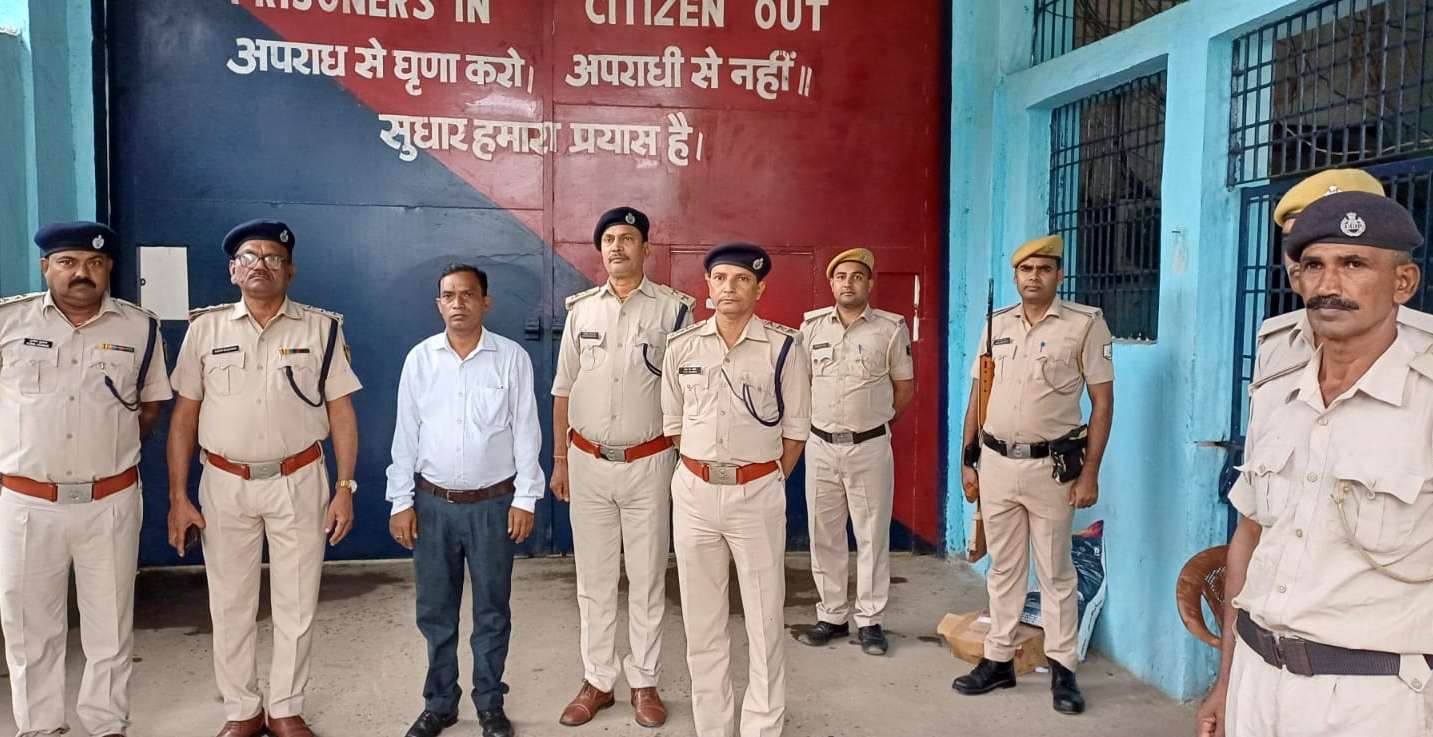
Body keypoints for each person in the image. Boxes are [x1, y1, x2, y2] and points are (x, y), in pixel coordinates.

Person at [1196, 191, 1433, 736]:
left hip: (1372, 699)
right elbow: (1249, 537)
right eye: (1314, 266)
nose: (1329, 285)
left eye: (1354, 265)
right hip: (1257, 679)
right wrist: (1226, 680)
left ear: (1402, 283)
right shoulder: (1277, 390)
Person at [166, 219, 362, 737]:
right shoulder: (205, 330)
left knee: (297, 599)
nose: (261, 265)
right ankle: (242, 710)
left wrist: (344, 488)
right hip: (224, 482)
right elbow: (184, 417)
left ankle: (286, 707)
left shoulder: (321, 329)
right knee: (230, 601)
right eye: (249, 257)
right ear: (233, 270)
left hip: (299, 478)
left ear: (289, 271)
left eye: (274, 258)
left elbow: (342, 413)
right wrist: (178, 496)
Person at [0, 222, 171, 737]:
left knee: (110, 625)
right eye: (68, 262)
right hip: (28, 502)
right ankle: (40, 727)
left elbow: (150, 405)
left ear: (109, 267)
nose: (82, 273)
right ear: (45, 267)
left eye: (94, 263)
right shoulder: (8, 321)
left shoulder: (140, 328)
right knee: (30, 627)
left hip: (109, 500)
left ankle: (106, 724)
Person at [952, 234, 1114, 715]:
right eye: (1026, 270)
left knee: (1055, 571)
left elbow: (1102, 402)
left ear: (1059, 275)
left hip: (1052, 468)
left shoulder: (1084, 325)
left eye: (1044, 269)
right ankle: (998, 659)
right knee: (1003, 567)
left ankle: (1063, 670)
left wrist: (1090, 473)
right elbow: (979, 394)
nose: (1034, 277)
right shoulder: (996, 324)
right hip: (998, 463)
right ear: (1016, 276)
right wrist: (967, 459)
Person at [386, 264, 543, 737]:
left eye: (468, 294)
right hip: (432, 506)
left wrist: (525, 498)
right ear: (439, 304)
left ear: (485, 302)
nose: (458, 303)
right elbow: (405, 435)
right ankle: (440, 704)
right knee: (435, 611)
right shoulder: (420, 360)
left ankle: (490, 704)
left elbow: (526, 432)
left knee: (492, 611)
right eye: (449, 295)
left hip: (493, 506)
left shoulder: (511, 358)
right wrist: (401, 501)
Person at [550, 207, 693, 728]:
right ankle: (598, 680)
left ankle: (645, 680)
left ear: (645, 249)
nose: (617, 246)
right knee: (593, 578)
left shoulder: (674, 312)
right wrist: (560, 460)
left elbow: (687, 392)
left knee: (648, 576)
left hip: (649, 463)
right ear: (601, 250)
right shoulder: (582, 311)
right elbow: (563, 389)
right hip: (587, 462)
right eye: (609, 238)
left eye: (628, 238)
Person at [661, 243, 810, 737]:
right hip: (695, 493)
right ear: (708, 285)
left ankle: (762, 726)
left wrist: (762, 478)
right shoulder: (682, 346)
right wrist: (707, 471)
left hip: (756, 493)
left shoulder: (784, 347)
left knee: (764, 620)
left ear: (759, 289)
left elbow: (795, 432)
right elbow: (674, 426)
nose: (730, 287)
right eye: (721, 278)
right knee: (702, 621)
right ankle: (713, 725)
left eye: (742, 279)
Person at [794, 247, 914, 655]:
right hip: (820, 446)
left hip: (869, 446)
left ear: (869, 284)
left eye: (857, 276)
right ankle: (831, 615)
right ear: (831, 283)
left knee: (872, 535)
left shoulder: (890, 329)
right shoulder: (811, 329)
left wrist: (875, 421)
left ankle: (871, 620)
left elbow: (904, 387)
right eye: (841, 276)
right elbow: (801, 385)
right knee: (824, 535)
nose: (849, 283)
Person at [1254, 168, 1433, 383]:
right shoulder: (1275, 342)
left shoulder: (1425, 347)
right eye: (1292, 242)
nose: (1297, 259)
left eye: (1352, 263)